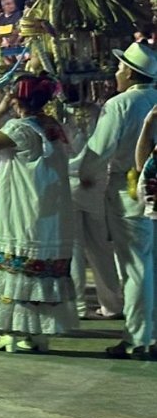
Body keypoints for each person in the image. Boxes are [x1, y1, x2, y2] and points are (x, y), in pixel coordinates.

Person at [0, 76, 76, 352]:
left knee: (17, 265)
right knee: (40, 268)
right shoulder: (53, 126)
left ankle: (13, 333)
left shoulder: (18, 128)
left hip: (22, 207)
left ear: (17, 100)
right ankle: (37, 334)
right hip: (49, 208)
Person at [76, 41, 157, 359]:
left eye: (121, 68)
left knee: (135, 267)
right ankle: (148, 331)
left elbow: (99, 149)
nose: (117, 73)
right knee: (149, 264)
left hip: (130, 190)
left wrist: (86, 174)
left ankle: (138, 338)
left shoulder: (121, 104)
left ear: (131, 73)